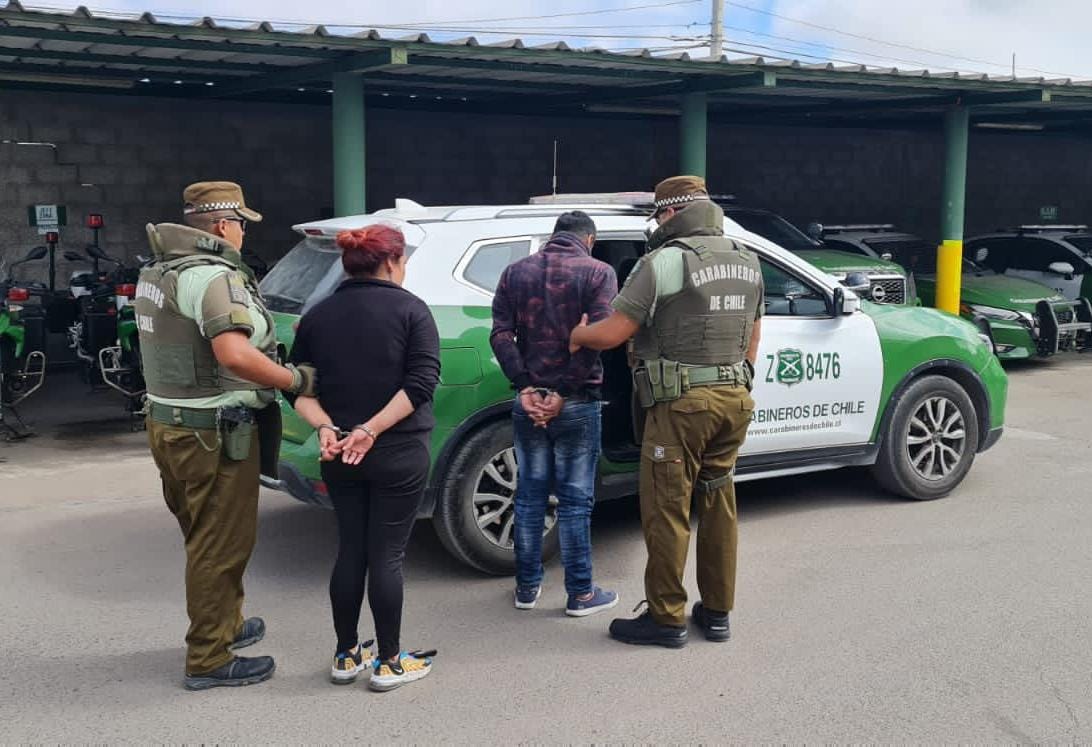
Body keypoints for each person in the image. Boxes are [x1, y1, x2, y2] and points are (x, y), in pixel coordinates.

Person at [136, 181, 317, 690]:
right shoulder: (214, 278)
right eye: (240, 223)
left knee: (207, 536)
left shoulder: (157, 272)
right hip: (213, 435)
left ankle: (227, 625)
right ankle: (209, 658)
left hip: (170, 425)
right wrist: (293, 380)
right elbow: (234, 355)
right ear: (221, 226)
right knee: (219, 545)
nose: (241, 232)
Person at [569, 176, 764, 647]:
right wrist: (733, 379)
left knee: (667, 509)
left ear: (673, 214)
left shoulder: (664, 261)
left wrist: (577, 336)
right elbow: (755, 334)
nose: (655, 224)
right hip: (734, 400)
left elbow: (615, 333)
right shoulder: (747, 258)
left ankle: (666, 617)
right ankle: (717, 613)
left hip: (680, 407)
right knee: (719, 504)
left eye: (658, 215)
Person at [289, 224, 440, 692]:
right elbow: (419, 385)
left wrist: (328, 428)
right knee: (387, 556)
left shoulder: (318, 315)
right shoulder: (411, 310)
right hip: (396, 451)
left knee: (351, 549)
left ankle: (346, 653)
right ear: (393, 262)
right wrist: (370, 430)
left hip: (338, 454)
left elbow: (297, 388)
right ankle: (391, 662)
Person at [490, 210, 619, 616]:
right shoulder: (599, 273)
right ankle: (580, 594)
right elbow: (596, 339)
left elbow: (500, 334)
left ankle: (527, 588)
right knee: (575, 501)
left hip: (527, 401)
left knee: (528, 497)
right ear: (590, 239)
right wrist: (562, 392)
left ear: (554, 236)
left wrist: (526, 386)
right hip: (577, 401)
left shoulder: (515, 272)